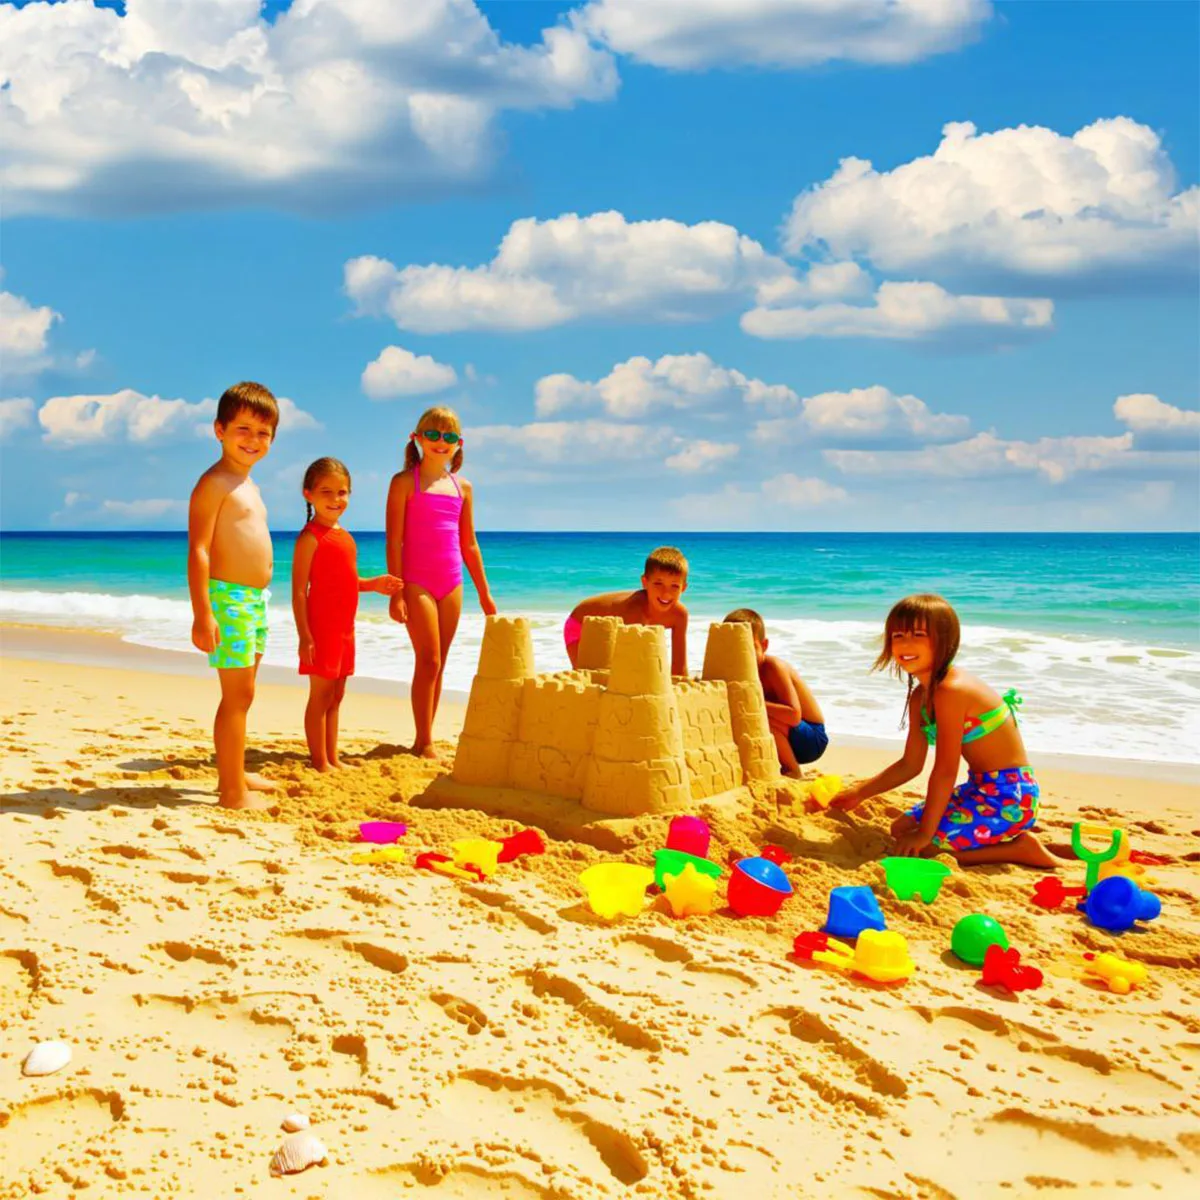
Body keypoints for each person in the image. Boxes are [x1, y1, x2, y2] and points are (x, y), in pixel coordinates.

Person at [833, 593, 1056, 868]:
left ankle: (1021, 849)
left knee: (927, 849)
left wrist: (926, 833)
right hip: (978, 789)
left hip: (1009, 797)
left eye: (918, 634)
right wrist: (859, 793)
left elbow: (945, 770)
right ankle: (1003, 841)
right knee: (900, 829)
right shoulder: (920, 697)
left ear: (944, 640)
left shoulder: (951, 691)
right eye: (898, 636)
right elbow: (910, 764)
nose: (906, 644)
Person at [187, 381, 280, 810]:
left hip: (254, 601)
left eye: (263, 433)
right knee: (236, 696)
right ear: (219, 430)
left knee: (247, 692)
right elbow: (200, 550)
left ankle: (235, 770)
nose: (253, 440)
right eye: (243, 429)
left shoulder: (250, 486)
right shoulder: (215, 483)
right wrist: (203, 614)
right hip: (228, 599)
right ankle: (230, 792)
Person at [385, 406, 496, 759]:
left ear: (458, 444)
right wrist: (396, 592)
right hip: (416, 581)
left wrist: (484, 593)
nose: (440, 442)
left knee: (441, 662)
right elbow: (394, 540)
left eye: (448, 436)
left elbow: (469, 544)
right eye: (432, 434)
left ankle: (424, 738)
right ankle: (424, 741)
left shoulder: (462, 487)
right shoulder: (403, 482)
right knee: (428, 660)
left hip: (452, 582)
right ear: (416, 438)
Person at [292, 457, 403, 772]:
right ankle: (319, 761)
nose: (335, 499)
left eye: (342, 492)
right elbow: (300, 591)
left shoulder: (344, 536)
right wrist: (304, 635)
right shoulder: (310, 538)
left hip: (345, 628)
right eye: (326, 491)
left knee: (337, 695)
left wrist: (373, 584)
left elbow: (343, 583)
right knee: (321, 695)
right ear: (308, 494)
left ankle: (332, 756)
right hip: (321, 628)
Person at [724, 608, 827, 777]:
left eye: (750, 648)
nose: (743, 655)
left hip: (811, 739)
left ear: (764, 646)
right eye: (734, 648)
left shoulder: (772, 667)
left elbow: (794, 715)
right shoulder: (735, 669)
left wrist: (754, 703)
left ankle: (793, 770)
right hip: (783, 739)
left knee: (758, 713)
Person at [565, 547, 690, 676]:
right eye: (658, 583)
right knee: (596, 677)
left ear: (683, 588)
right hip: (581, 626)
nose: (666, 593)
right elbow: (632, 663)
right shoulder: (635, 610)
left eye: (674, 586)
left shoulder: (679, 615)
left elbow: (679, 667)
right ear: (645, 582)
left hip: (610, 633)